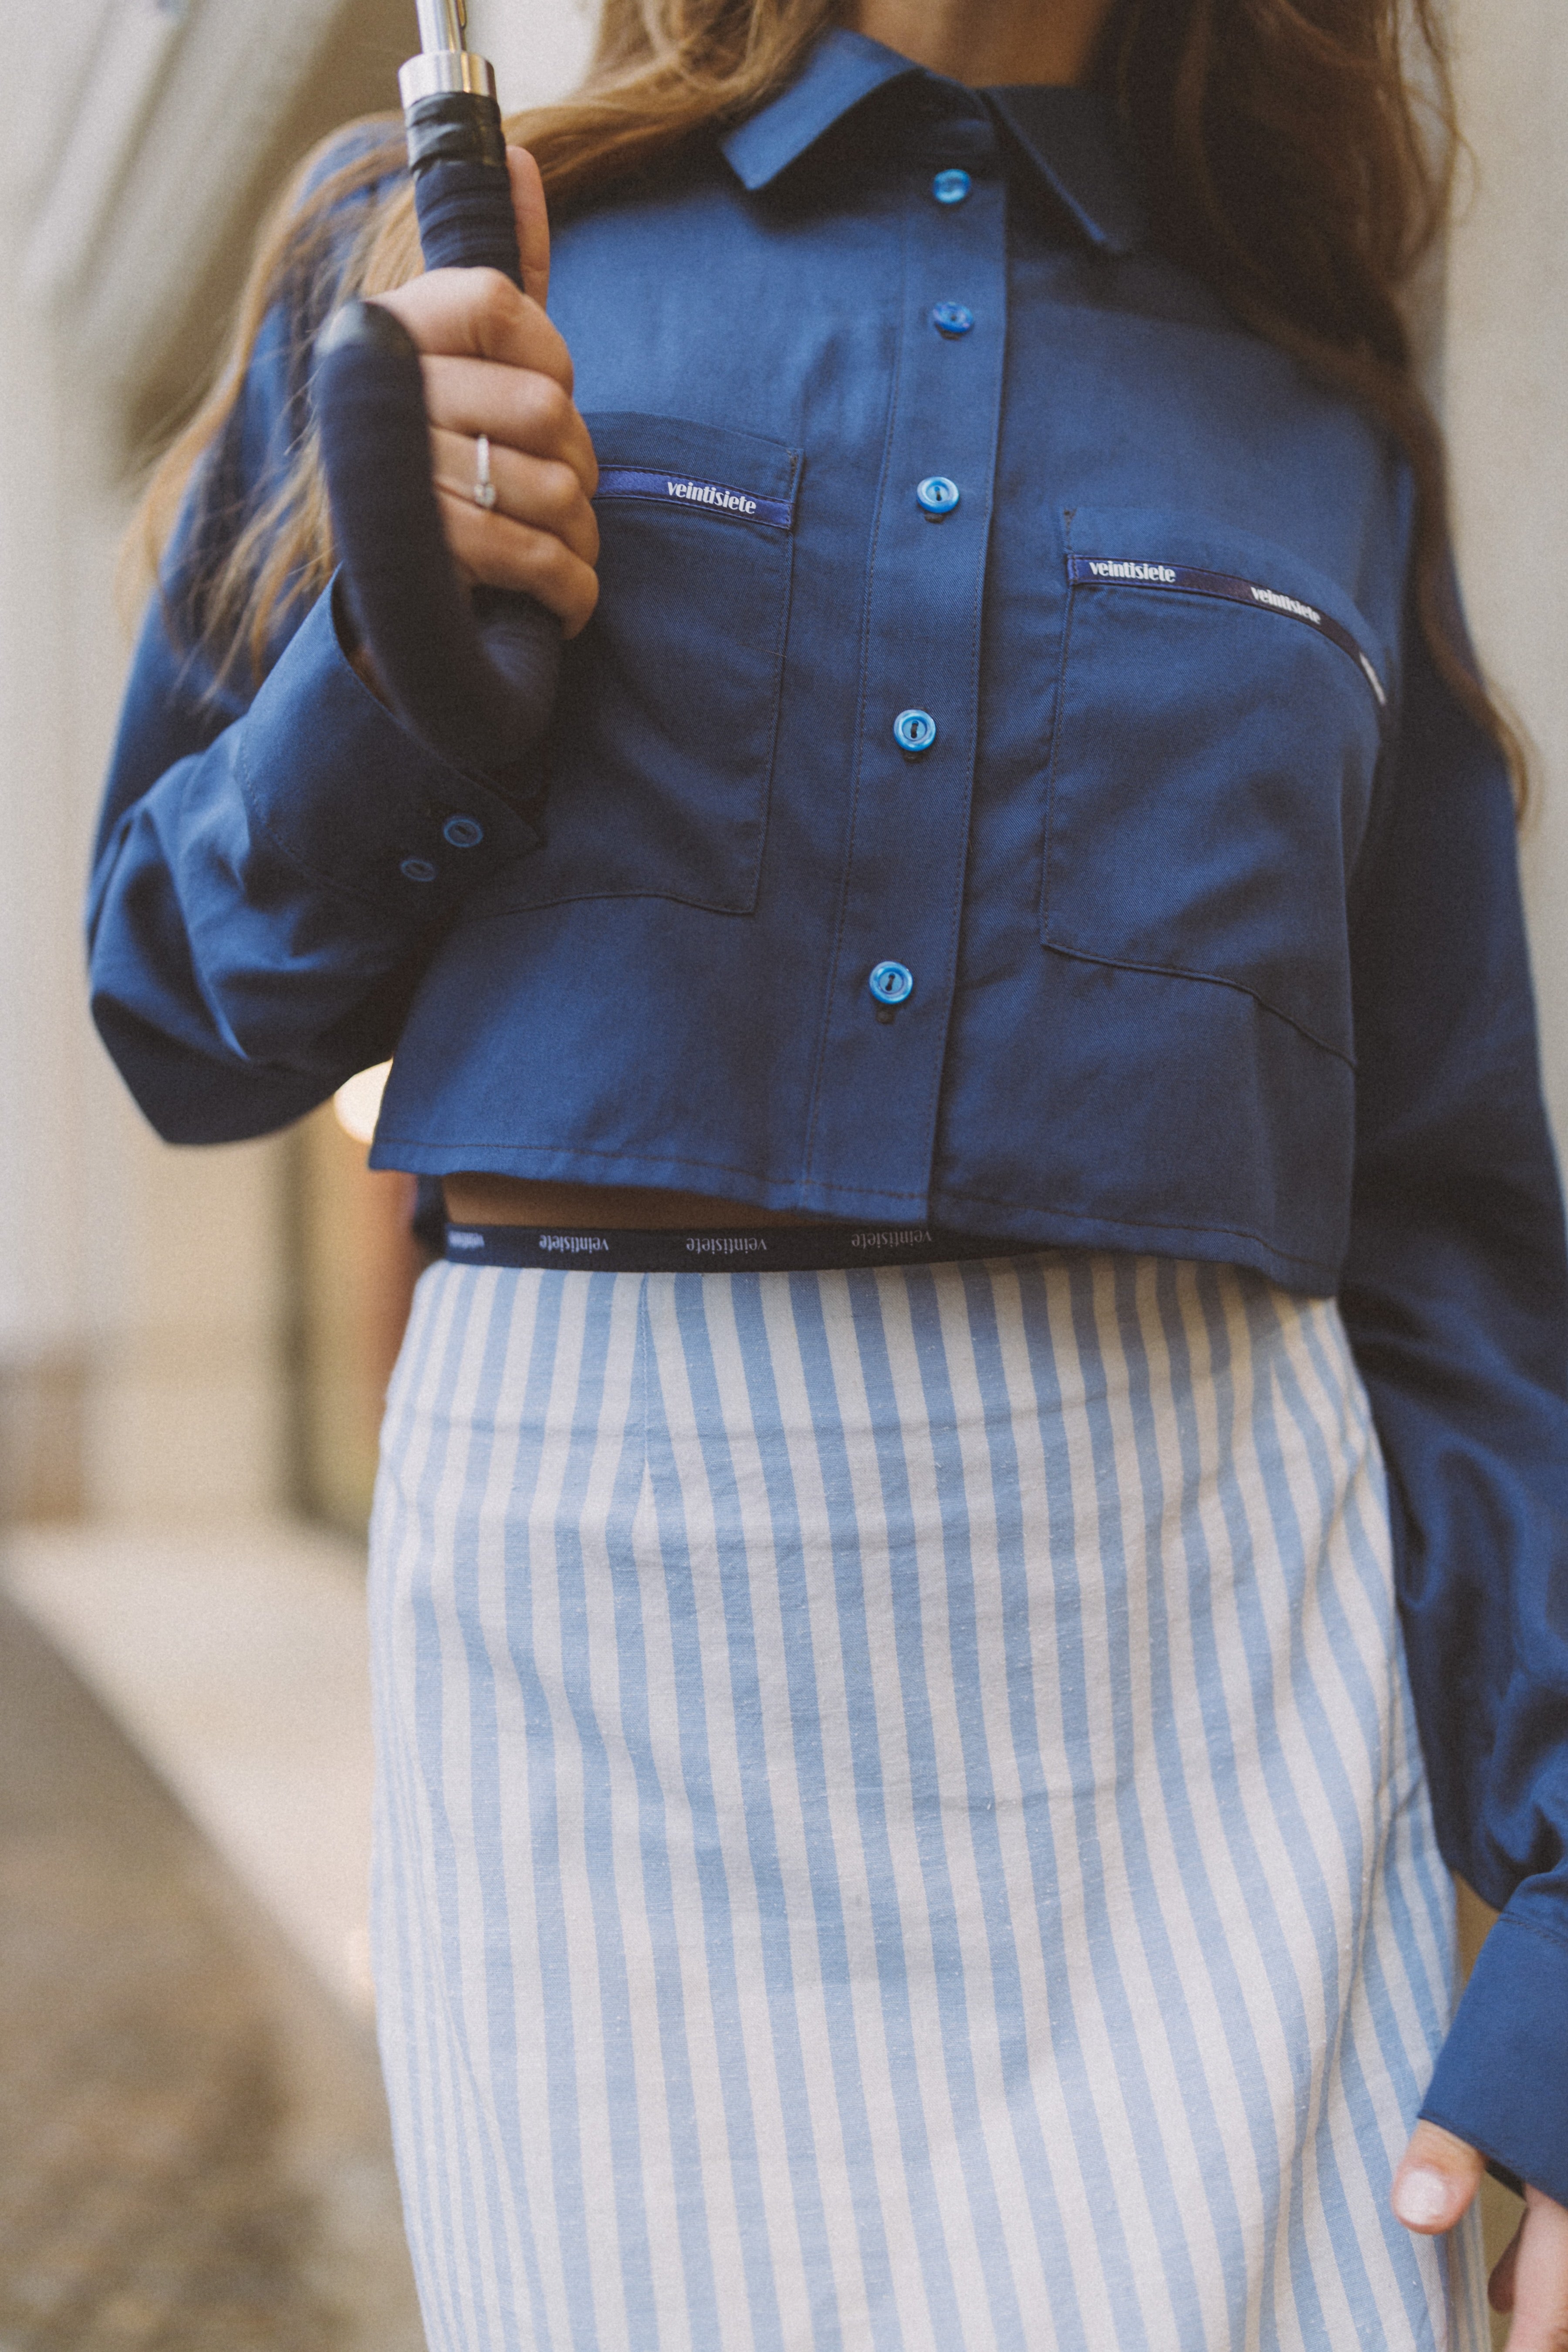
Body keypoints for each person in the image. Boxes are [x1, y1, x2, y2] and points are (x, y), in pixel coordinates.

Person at [88, 0, 1568, 2342]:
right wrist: (402, 675)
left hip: (1207, 1704)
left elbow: (1457, 1234)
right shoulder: (446, 256)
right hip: (609, 1699)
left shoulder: (1318, 388)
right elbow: (174, 1005)